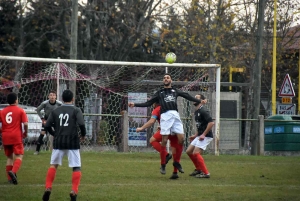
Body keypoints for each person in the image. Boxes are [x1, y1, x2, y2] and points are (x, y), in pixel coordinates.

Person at [129, 73, 202, 175]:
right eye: (164, 78)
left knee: (181, 139)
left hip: (175, 115)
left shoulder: (175, 91)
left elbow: (187, 96)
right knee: (164, 140)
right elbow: (148, 103)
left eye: (168, 77)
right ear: (163, 81)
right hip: (166, 116)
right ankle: (163, 164)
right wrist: (135, 104)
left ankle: (176, 163)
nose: (166, 79)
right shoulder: (160, 92)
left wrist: (199, 100)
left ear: (171, 80)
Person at [42, 89, 86, 201]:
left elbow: (47, 125)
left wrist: (54, 134)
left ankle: (48, 187)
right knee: (76, 167)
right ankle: (74, 190)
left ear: (61, 99)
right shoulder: (76, 110)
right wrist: (83, 135)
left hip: (58, 141)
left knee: (53, 165)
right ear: (72, 99)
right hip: (72, 141)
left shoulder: (56, 110)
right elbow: (81, 123)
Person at [0, 92, 28, 185]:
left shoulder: (2, 111)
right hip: (16, 136)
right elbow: (25, 123)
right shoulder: (20, 110)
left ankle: (9, 179)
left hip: (5, 136)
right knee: (19, 155)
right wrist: (25, 132)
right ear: (16, 100)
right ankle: (13, 171)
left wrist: (2, 131)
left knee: (9, 157)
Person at [186, 94, 214, 178]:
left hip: (206, 136)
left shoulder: (203, 111)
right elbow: (200, 125)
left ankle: (206, 173)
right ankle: (198, 169)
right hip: (200, 135)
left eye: (197, 98)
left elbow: (211, 123)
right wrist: (195, 135)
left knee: (196, 152)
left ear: (201, 100)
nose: (194, 99)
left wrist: (204, 134)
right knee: (189, 151)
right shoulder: (197, 111)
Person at [34, 90, 62, 155]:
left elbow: (64, 110)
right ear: (48, 96)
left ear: (56, 97)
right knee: (42, 133)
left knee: (58, 134)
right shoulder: (45, 103)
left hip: (55, 120)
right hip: (47, 120)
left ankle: (59, 149)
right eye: (51, 95)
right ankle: (37, 150)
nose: (52, 97)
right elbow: (38, 110)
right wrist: (42, 119)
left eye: (53, 95)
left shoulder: (59, 104)